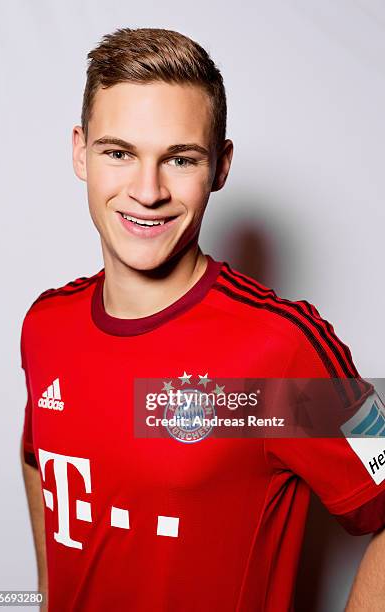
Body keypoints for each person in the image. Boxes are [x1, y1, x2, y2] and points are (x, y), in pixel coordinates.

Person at [20, 27, 385, 612]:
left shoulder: (282, 350)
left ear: (220, 166)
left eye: (180, 158)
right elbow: (38, 456)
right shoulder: (45, 324)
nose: (147, 190)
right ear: (79, 152)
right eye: (119, 152)